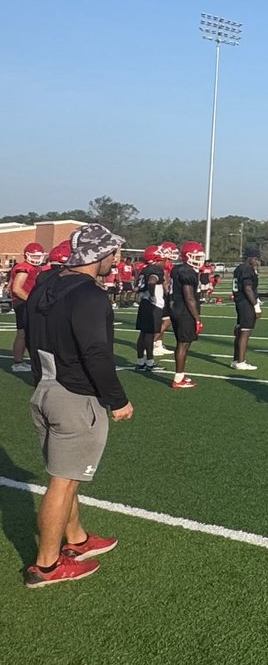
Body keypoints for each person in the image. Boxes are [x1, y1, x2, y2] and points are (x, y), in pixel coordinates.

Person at [24, 223, 131, 588]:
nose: (116, 260)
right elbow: (96, 353)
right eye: (113, 253)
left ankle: (78, 540)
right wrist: (117, 400)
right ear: (98, 254)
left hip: (45, 388)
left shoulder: (45, 284)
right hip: (74, 396)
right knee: (64, 482)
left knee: (65, 479)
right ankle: (47, 566)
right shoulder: (90, 295)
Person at [166, 243, 206, 389]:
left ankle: (180, 375)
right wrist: (197, 318)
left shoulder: (178, 269)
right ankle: (178, 378)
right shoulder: (186, 271)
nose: (199, 259)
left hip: (176, 309)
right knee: (183, 344)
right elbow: (189, 297)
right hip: (184, 311)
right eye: (196, 256)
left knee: (183, 343)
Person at [9, 242, 46, 372]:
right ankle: (18, 363)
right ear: (27, 255)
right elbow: (17, 289)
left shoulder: (34, 268)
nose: (36, 259)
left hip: (24, 301)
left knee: (24, 333)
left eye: (38, 256)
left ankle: (20, 362)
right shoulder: (24, 267)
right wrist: (33, 301)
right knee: (24, 333)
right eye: (34, 256)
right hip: (23, 302)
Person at [133, 247, 166, 372]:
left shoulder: (145, 269)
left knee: (143, 334)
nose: (164, 261)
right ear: (156, 259)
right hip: (152, 304)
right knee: (149, 334)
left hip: (144, 303)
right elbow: (152, 282)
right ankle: (150, 363)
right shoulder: (156, 269)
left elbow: (137, 285)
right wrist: (152, 296)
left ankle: (141, 361)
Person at [231, 249, 263, 371]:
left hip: (240, 301)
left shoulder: (239, 268)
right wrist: (256, 305)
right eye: (256, 259)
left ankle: (236, 360)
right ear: (250, 258)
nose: (257, 262)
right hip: (246, 303)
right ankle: (240, 361)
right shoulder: (246, 269)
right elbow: (248, 288)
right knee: (245, 331)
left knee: (240, 330)